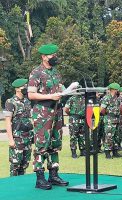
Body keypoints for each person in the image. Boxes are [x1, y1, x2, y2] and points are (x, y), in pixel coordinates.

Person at [28, 43, 68, 190]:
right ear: (44, 57)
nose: (54, 57)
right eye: (52, 55)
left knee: (55, 143)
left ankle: (54, 175)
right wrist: (51, 96)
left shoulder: (56, 72)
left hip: (57, 112)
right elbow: (31, 94)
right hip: (43, 113)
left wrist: (70, 90)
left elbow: (61, 88)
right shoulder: (36, 72)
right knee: (41, 145)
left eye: (55, 55)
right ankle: (40, 177)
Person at [4, 78, 33, 176]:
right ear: (17, 89)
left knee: (24, 164)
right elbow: (7, 121)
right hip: (17, 138)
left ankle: (21, 185)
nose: (26, 87)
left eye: (26, 85)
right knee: (15, 164)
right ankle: (13, 186)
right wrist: (11, 140)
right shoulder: (10, 102)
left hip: (28, 137)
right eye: (23, 86)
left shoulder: (27, 101)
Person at [100, 83, 122, 159]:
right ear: (114, 90)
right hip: (109, 119)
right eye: (117, 89)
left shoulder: (117, 98)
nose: (118, 91)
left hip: (117, 119)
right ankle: (107, 152)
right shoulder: (106, 98)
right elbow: (102, 109)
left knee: (116, 136)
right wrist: (107, 114)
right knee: (109, 136)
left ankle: (115, 151)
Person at [64, 88, 86, 158]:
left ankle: (82, 151)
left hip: (82, 119)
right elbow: (66, 109)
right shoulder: (72, 98)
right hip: (74, 119)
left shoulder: (84, 99)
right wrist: (72, 115)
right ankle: (74, 152)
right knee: (74, 136)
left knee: (82, 136)